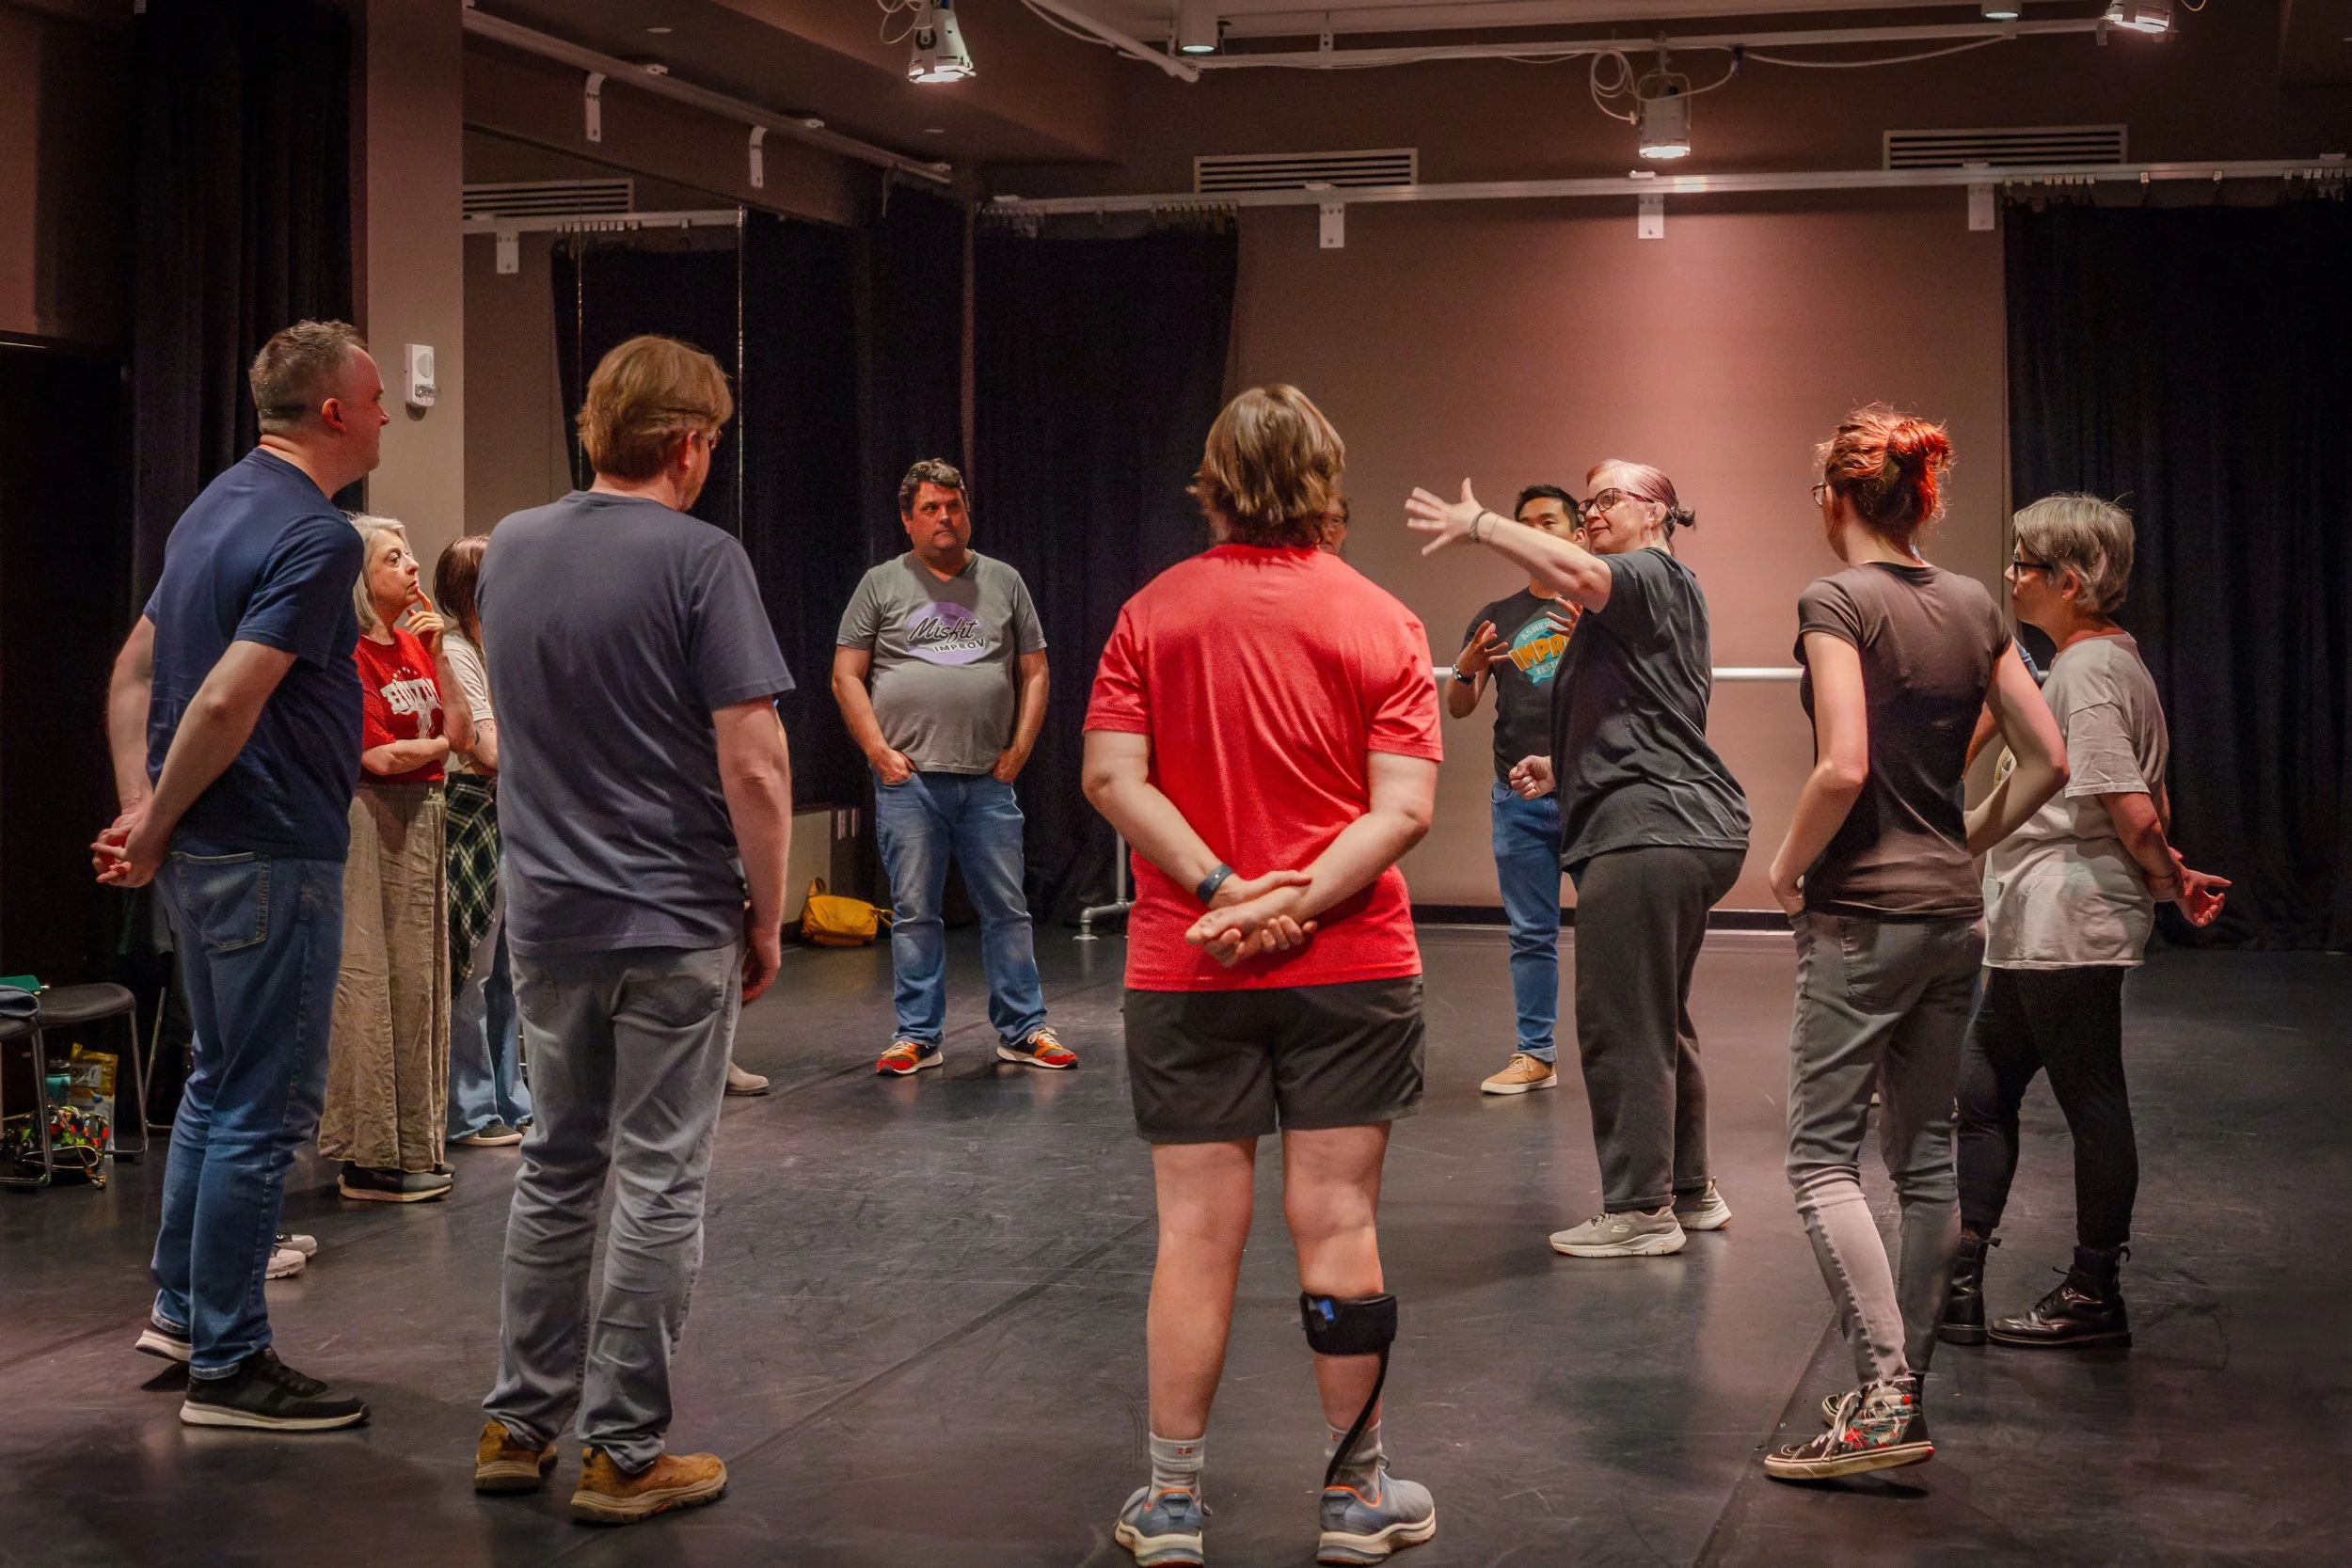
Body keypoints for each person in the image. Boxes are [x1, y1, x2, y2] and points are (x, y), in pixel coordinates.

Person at [1086, 384, 1441, 1567]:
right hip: (1348, 962)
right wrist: (1298, 898)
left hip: (1191, 962)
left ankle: (1172, 1502)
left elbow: (1110, 779)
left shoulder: (1150, 612)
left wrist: (1221, 888)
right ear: (1327, 485)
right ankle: (1356, 1495)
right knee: (1338, 1223)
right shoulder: (1384, 619)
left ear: (1211, 482)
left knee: (1194, 1233)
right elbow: (1404, 809)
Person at [473, 334, 793, 1527]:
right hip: (669, 917)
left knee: (558, 1166)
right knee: (660, 1172)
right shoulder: (703, 558)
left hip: (546, 916)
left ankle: (518, 1422)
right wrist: (766, 914)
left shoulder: (509, 544)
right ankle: (622, 1449)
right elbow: (754, 764)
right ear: (690, 444)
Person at [1756, 407, 2068, 1481]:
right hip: (1952, 917)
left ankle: (1883, 1392)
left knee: (1818, 1159)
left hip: (1861, 917)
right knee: (1924, 1153)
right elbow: (2049, 757)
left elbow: (1840, 763)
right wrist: (1965, 839)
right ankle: (1902, 1386)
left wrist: (1785, 867)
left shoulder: (1834, 599)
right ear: (1920, 498)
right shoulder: (1975, 602)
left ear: (1833, 500)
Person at [94, 318, 386, 1429]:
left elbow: (133, 671)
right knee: (262, 1106)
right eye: (375, 396)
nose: (386, 414)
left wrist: (141, 806)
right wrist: (157, 817)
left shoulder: (211, 506)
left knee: (218, 1087)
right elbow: (223, 696)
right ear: (332, 412)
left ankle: (183, 1308)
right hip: (269, 845)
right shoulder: (319, 537)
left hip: (212, 849)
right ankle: (229, 1360)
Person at [1407, 461, 1750, 1259]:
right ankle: (1690, 1191)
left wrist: (1482, 524)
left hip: (1648, 827)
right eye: (1587, 499)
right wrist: (1563, 767)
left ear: (1658, 512)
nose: (1592, 512)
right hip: (1680, 821)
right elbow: (1648, 713)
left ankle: (1640, 1209)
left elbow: (1578, 569)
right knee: (1659, 1018)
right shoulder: (1658, 594)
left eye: (1607, 500)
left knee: (1618, 1021)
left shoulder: (1644, 574)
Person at [1947, 495, 2227, 1350]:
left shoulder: (2090, 672)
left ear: (2069, 580)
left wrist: (2163, 871)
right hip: (2042, 918)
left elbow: (2130, 804)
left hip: (2068, 918)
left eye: (2023, 564)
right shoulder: (2097, 663)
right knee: (1984, 1087)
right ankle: (1957, 1279)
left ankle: (2093, 1291)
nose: (2011, 575)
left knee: (2090, 1097)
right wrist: (2166, 874)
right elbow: (2143, 803)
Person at [833, 459, 1069, 1076]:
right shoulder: (880, 585)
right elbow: (846, 675)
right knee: (915, 912)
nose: (945, 518)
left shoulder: (1004, 581)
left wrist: (1020, 750)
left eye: (954, 506)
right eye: (931, 508)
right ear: (908, 519)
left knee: (1008, 908)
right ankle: (918, 1033)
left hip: (987, 781)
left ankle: (1022, 1027)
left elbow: (1036, 669)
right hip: (910, 782)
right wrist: (878, 753)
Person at [317, 515, 470, 1201]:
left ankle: (413, 1142)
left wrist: (439, 657)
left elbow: (460, 729)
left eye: (409, 557)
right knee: (368, 983)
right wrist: (439, 748)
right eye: (394, 559)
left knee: (419, 984)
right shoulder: (348, 652)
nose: (412, 569)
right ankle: (366, 1154)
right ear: (360, 577)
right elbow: (376, 755)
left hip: (423, 817)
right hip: (370, 819)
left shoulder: (413, 643)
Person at [1443, 484, 1586, 1095]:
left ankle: (1629, 1056)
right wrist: (1468, 664)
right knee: (1531, 931)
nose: (1532, 531)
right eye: (1522, 523)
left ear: (1576, 534)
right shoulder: (1496, 615)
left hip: (1592, 794)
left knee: (1614, 934)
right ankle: (1536, 1054)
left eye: (1546, 521)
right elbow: (1460, 704)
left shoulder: (1598, 605)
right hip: (1518, 798)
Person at [435, 535, 532, 1148]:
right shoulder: (454, 647)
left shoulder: (502, 644)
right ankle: (467, 1108)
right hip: (473, 816)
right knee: (470, 969)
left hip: (514, 813)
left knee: (509, 973)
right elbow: (488, 749)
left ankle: (509, 1098)